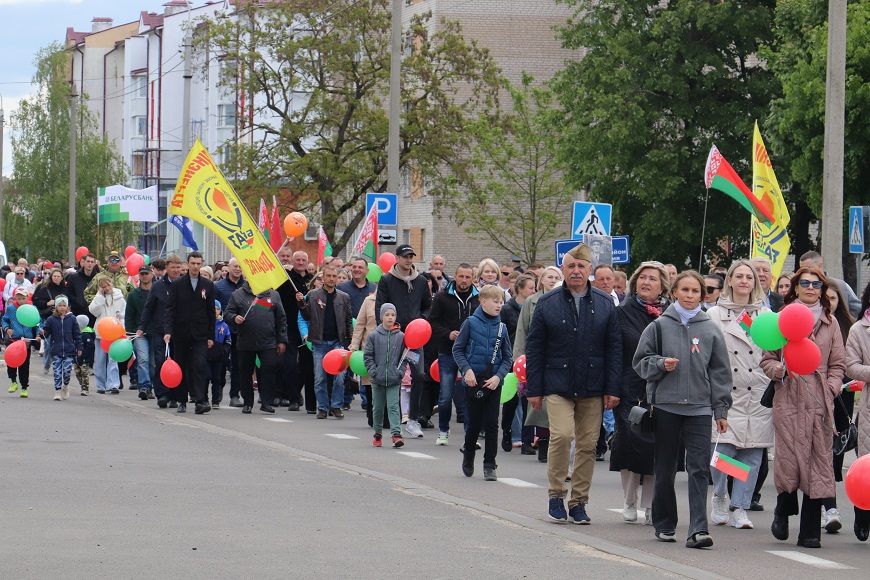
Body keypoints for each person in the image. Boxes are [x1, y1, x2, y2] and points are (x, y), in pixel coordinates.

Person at [633, 270, 732, 548]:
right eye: (685, 290)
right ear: (674, 291)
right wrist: (659, 364)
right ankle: (664, 524)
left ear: (703, 295)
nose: (690, 296)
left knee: (699, 468)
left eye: (695, 291)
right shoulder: (658, 326)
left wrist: (720, 410)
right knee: (664, 468)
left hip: (700, 408)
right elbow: (640, 362)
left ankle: (698, 529)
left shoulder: (711, 329)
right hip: (666, 406)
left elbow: (721, 373)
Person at [526, 243, 622, 524]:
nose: (576, 271)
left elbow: (614, 349)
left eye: (582, 266)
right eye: (571, 266)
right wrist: (535, 388)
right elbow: (535, 348)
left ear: (590, 270)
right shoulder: (547, 303)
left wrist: (612, 388)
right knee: (562, 435)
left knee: (588, 445)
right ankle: (556, 494)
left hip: (593, 385)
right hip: (557, 383)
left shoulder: (605, 304)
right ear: (563, 270)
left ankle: (578, 501)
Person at [761, 267, 847, 549]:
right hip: (788, 396)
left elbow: (838, 365)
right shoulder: (779, 319)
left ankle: (810, 532)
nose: (811, 288)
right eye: (805, 283)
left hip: (819, 401)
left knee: (818, 464)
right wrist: (780, 370)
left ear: (822, 290)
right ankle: (783, 511)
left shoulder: (830, 322)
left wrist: (831, 389)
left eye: (816, 284)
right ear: (795, 287)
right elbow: (767, 359)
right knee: (788, 461)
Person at [704, 260, 772, 531]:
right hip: (726, 392)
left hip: (757, 392)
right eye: (739, 276)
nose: (745, 281)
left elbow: (773, 351)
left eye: (749, 277)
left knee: (753, 455)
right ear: (729, 281)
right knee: (723, 450)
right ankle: (720, 495)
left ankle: (740, 506)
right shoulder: (713, 315)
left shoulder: (766, 315)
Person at [611, 261, 670, 526]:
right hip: (630, 388)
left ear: (663, 286)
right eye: (642, 277)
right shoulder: (622, 312)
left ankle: (649, 505)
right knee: (630, 444)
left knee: (657, 448)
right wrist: (612, 389)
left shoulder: (671, 314)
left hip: (664, 390)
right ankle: (629, 500)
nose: (646, 282)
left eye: (653, 279)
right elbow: (613, 354)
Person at [452, 285, 513, 481]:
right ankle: (469, 454)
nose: (499, 305)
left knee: (492, 423)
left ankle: (490, 463)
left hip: (493, 383)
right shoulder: (470, 323)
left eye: (501, 302)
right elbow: (458, 350)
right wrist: (466, 371)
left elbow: (507, 358)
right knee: (474, 423)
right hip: (473, 381)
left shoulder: (502, 328)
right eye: (495, 302)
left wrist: (499, 377)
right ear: (483, 301)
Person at [375, 244, 432, 437]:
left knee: (418, 375)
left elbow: (427, 307)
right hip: (395, 337)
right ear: (397, 259)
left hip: (415, 339)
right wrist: (385, 330)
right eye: (405, 256)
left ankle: (413, 419)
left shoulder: (422, 281)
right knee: (392, 376)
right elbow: (380, 308)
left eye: (411, 256)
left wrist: (421, 321)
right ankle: (390, 417)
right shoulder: (386, 280)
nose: (409, 260)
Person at [514, 265, 563, 460]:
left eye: (556, 277)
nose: (552, 280)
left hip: (558, 360)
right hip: (536, 359)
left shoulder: (565, 301)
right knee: (538, 405)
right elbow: (522, 332)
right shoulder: (531, 302)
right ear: (541, 280)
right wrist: (519, 359)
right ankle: (541, 443)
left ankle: (555, 444)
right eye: (548, 277)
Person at [429, 263, 479, 445]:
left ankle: (470, 435)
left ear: (473, 278)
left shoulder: (478, 298)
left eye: (468, 277)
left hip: (471, 354)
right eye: (461, 277)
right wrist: (448, 333)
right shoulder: (442, 297)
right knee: (445, 395)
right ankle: (443, 430)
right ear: (455, 277)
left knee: (471, 395)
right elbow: (432, 323)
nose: (464, 281)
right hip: (447, 351)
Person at [820, 281, 856, 532]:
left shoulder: (850, 327)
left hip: (842, 394)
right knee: (820, 450)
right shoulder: (813, 324)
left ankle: (830, 505)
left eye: (833, 298)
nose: (829, 302)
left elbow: (853, 363)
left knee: (836, 450)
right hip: (815, 392)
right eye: (826, 298)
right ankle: (828, 508)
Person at [164, 251, 216, 415]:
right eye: (192, 263)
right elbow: (170, 310)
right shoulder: (178, 284)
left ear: (201, 265)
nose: (195, 266)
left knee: (199, 365)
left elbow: (211, 313)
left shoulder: (207, 285)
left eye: (198, 263)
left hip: (200, 334)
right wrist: (168, 331)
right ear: (187, 264)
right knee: (181, 367)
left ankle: (201, 400)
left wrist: (211, 336)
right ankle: (181, 401)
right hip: (181, 333)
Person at [225, 282, 287, 414]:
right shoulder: (238, 294)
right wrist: (234, 317)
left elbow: (281, 318)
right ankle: (247, 402)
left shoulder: (273, 295)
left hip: (268, 341)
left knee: (269, 369)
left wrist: (282, 340)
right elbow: (227, 313)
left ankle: (266, 402)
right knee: (245, 372)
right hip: (246, 341)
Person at [300, 264, 353, 419]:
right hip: (319, 342)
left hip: (337, 342)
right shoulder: (313, 294)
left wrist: (350, 341)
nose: (331, 279)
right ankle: (322, 408)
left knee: (339, 377)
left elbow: (348, 320)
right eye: (328, 276)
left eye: (334, 276)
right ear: (322, 278)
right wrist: (301, 304)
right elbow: (306, 316)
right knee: (320, 377)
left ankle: (336, 406)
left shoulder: (344, 297)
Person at [138, 255, 182, 409]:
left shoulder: (184, 284)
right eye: (173, 267)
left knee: (177, 363)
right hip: (160, 331)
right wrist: (142, 327)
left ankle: (175, 395)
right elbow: (149, 307)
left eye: (178, 267)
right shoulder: (158, 286)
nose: (176, 270)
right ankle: (162, 394)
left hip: (180, 332)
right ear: (166, 268)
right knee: (161, 362)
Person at [844, 279, 870, 542]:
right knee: (868, 466)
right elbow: (851, 366)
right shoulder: (859, 330)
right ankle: (863, 516)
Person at [499, 273, 537, 451]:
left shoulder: (536, 307)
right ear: (520, 289)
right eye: (530, 288)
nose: (534, 291)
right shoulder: (507, 309)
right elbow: (501, 335)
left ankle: (525, 440)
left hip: (530, 359)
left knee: (527, 401)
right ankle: (506, 429)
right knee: (512, 400)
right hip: (512, 358)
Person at [363, 303, 408, 448]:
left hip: (394, 379)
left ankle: (396, 434)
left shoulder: (401, 336)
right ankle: (377, 434)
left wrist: (400, 372)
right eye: (387, 315)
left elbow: (405, 357)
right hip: (377, 379)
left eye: (393, 315)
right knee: (378, 407)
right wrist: (373, 371)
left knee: (394, 406)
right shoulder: (374, 336)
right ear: (381, 316)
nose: (390, 318)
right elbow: (368, 355)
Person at [338, 256, 377, 410]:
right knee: (348, 365)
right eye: (354, 267)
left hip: (368, 335)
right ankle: (346, 399)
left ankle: (367, 400)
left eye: (360, 267)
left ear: (367, 271)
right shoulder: (342, 288)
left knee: (366, 366)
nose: (356, 270)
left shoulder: (374, 289)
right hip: (348, 333)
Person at [275, 249, 312, 411]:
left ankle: (295, 392)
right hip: (289, 326)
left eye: (304, 260)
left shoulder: (312, 280)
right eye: (298, 260)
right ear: (293, 261)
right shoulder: (285, 279)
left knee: (304, 365)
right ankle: (294, 399)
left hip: (306, 328)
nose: (301, 263)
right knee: (289, 363)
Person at [214, 257, 246, 407]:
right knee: (221, 363)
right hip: (222, 332)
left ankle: (235, 395)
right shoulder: (218, 286)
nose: (238, 269)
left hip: (241, 331)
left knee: (238, 364)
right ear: (228, 267)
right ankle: (219, 387)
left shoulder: (246, 287)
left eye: (240, 267)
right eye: (235, 266)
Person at [40, 295, 83, 401]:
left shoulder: (72, 319)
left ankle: (66, 386)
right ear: (56, 307)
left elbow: (77, 334)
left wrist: (79, 347)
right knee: (57, 371)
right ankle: (58, 391)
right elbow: (46, 333)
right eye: (60, 305)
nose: (62, 307)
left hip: (69, 350)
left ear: (67, 306)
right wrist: (42, 333)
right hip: (56, 350)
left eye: (64, 305)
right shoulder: (51, 319)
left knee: (67, 371)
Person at [88, 274, 126, 394]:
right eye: (103, 286)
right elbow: (94, 311)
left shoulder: (119, 297)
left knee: (113, 359)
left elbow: (124, 313)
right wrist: (100, 297)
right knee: (99, 360)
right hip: (101, 333)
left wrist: (121, 324)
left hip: (114, 333)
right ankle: (101, 385)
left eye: (108, 285)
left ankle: (113, 384)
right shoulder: (99, 298)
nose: (107, 288)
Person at [4, 287, 42, 398]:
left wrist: (38, 334)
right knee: (11, 362)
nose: (21, 301)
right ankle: (13, 381)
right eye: (19, 298)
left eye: (23, 298)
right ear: (15, 297)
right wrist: (7, 329)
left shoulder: (32, 308)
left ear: (27, 298)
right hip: (13, 339)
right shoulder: (11, 308)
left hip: (26, 341)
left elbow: (38, 322)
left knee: (24, 365)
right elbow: (5, 319)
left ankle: (24, 387)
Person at [799, 251, 861, 318]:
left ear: (819, 266)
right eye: (802, 269)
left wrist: (847, 324)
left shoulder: (841, 286)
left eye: (808, 268)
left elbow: (857, 309)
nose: (805, 272)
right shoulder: (800, 286)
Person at [125, 265, 154, 400]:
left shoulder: (157, 292)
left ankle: (152, 387)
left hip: (156, 332)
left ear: (152, 275)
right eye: (142, 274)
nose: (144, 276)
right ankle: (144, 386)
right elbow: (129, 316)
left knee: (153, 362)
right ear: (139, 276)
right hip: (139, 333)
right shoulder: (133, 295)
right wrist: (130, 334)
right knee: (142, 359)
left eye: (146, 274)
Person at [350, 293, 378, 426]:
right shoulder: (369, 300)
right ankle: (371, 411)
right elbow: (360, 325)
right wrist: (354, 346)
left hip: (389, 347)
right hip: (370, 348)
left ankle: (384, 414)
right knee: (369, 381)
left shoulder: (395, 298)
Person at [33, 267, 68, 375]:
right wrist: (47, 303)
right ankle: (46, 364)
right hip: (49, 318)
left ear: (62, 277)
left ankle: (59, 364)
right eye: (54, 276)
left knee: (62, 343)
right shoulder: (44, 288)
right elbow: (36, 300)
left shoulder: (65, 289)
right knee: (48, 344)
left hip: (63, 318)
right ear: (51, 277)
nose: (56, 278)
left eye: (58, 276)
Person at [206, 301, 232, 409]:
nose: (215, 311)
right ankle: (204, 398)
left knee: (217, 378)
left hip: (218, 356)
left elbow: (228, 340)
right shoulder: (205, 324)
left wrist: (223, 350)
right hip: (206, 355)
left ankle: (215, 400)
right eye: (213, 309)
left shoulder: (224, 325)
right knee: (206, 377)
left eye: (217, 309)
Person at [66, 254, 100, 327]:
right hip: (78, 312)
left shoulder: (98, 278)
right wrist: (77, 301)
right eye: (88, 261)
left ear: (94, 264)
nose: (89, 264)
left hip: (94, 314)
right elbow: (69, 293)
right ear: (84, 262)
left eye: (92, 262)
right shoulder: (74, 277)